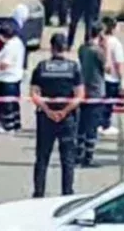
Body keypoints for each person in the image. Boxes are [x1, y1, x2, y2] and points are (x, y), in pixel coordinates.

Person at [30, 32, 83, 198]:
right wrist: (64, 111)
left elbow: (34, 94)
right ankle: (67, 193)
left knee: (42, 157)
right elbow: (79, 95)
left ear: (51, 47)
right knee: (67, 159)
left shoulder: (41, 67)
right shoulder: (74, 67)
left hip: (45, 119)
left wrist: (48, 110)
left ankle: (39, 193)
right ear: (66, 47)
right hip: (67, 119)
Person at [77, 23, 107, 168]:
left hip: (83, 90)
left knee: (81, 125)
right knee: (92, 127)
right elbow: (106, 67)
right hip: (96, 91)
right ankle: (88, 157)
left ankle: (78, 154)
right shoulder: (98, 51)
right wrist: (105, 47)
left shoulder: (82, 48)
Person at [0, 21, 26, 133]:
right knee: (14, 102)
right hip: (15, 76)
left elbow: (4, 64)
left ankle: (8, 126)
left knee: (6, 103)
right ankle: (16, 123)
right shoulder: (18, 42)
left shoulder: (10, 46)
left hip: (7, 78)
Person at [99, 17, 124, 137]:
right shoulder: (116, 43)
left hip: (99, 77)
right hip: (112, 77)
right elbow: (119, 63)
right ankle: (105, 125)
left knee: (100, 102)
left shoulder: (100, 40)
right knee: (108, 104)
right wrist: (122, 79)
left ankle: (100, 123)